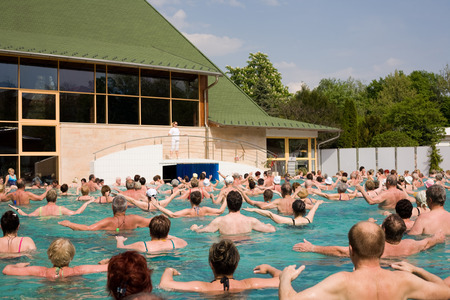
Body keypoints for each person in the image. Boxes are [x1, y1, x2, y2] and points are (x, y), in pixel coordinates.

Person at [280, 221, 450, 299]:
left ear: (351, 251)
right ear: (382, 249)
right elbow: (445, 291)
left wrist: (285, 278)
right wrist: (416, 270)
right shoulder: (404, 280)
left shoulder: (341, 281)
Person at [293, 214, 444, 258]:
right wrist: (438, 237)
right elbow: (429, 242)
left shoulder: (375, 249)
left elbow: (341, 251)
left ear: (383, 230)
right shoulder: (412, 245)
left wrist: (312, 247)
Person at [159, 239, 282, 292]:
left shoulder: (202, 287)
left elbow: (165, 285)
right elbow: (283, 278)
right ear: (236, 263)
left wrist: (169, 270)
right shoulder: (248, 284)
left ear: (211, 264)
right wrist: (269, 268)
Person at [2, 238, 108, 278]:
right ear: (71, 256)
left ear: (49, 255)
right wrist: (105, 262)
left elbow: (6, 270)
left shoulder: (42, 272)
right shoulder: (77, 271)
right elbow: (108, 267)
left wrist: (16, 265)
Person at [190, 190, 276, 235]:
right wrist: (269, 225)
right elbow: (272, 230)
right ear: (241, 204)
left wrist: (195, 228)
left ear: (227, 204)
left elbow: (201, 231)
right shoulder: (251, 221)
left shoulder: (219, 221)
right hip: (246, 247)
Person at [58, 196, 152, 231]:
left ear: (112, 207)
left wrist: (69, 224)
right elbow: (152, 222)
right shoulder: (135, 219)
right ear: (126, 207)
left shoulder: (107, 222)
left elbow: (88, 228)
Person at [116, 215, 187, 252]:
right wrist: (167, 236)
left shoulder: (142, 246)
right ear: (167, 232)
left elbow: (120, 248)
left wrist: (120, 240)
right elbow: (184, 242)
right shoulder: (175, 243)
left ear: (150, 232)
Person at [9, 190, 94, 217]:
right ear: (56, 198)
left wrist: (17, 209)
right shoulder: (61, 209)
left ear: (46, 198)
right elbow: (77, 213)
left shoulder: (40, 210)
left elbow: (26, 216)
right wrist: (87, 203)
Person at [244, 199, 323, 226]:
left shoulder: (290, 221)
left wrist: (254, 210)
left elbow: (270, 214)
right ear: (304, 210)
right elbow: (314, 208)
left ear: (293, 210)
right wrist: (318, 202)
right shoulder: (309, 219)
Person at [153, 190, 227, 218]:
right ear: (201, 200)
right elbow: (221, 211)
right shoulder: (205, 210)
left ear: (190, 200)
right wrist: (226, 198)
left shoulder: (188, 211)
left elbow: (172, 215)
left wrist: (157, 206)